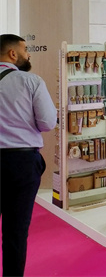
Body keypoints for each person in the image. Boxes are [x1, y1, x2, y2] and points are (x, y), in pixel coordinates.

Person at [0, 34, 57, 277]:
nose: (28, 54)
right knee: (15, 231)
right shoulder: (31, 81)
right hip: (21, 162)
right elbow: (48, 123)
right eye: (25, 50)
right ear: (13, 54)